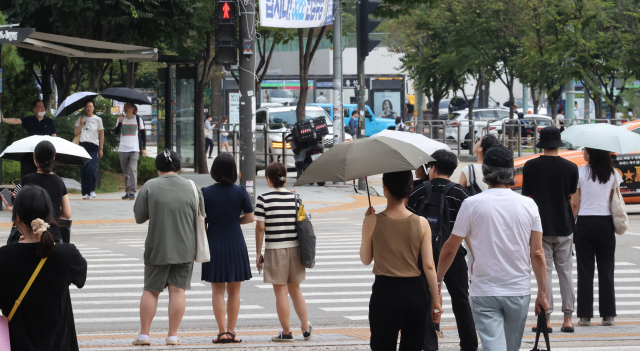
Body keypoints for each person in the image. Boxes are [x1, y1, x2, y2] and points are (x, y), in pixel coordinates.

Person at [436, 145, 548, 351]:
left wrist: (438, 280)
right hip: (518, 290)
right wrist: (543, 293)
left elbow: (450, 248)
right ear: (512, 173)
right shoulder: (529, 205)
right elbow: (538, 253)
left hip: (484, 291)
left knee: (493, 346)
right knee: (511, 347)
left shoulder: (471, 204)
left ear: (486, 172)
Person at [361, 170, 442, 350]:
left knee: (382, 345)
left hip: (385, 292)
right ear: (410, 189)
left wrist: (367, 224)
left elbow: (366, 259)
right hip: (414, 292)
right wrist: (435, 300)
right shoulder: (421, 223)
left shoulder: (371, 221)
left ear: (384, 188)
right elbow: (429, 266)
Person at [0, 185, 87, 351]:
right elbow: (81, 278)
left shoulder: (5, 257)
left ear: (17, 218)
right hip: (59, 344)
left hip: (18, 344)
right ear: (49, 216)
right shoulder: (66, 254)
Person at [132, 150, 205, 346]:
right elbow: (201, 217)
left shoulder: (149, 186)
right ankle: (172, 335)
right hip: (185, 248)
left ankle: (144, 335)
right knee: (177, 291)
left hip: (157, 247)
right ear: (179, 167)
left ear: (157, 168)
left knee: (151, 290)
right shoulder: (192, 187)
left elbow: (139, 217)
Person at [406, 150, 477, 351]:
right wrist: (474, 258)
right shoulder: (461, 194)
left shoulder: (418, 191)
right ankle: (469, 345)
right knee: (461, 300)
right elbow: (469, 232)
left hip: (423, 256)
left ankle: (429, 345)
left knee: (424, 300)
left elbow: (409, 224)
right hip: (454, 255)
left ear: (433, 168)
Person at [522, 126, 578, 333]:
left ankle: (545, 320)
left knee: (544, 273)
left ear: (541, 143)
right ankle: (568, 320)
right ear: (559, 143)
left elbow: (527, 198)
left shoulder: (530, 166)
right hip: (564, 225)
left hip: (540, 227)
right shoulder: (571, 168)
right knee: (566, 272)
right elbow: (571, 198)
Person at [255, 162, 312, 342]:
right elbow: (304, 222)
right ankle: (305, 327)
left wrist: (258, 252)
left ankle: (286, 332)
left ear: (268, 180)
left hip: (274, 250)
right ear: (285, 178)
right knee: (296, 291)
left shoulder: (263, 199)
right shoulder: (296, 199)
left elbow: (260, 228)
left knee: (280, 292)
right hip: (295, 249)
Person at [201, 153, 254, 343]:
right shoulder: (240, 191)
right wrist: (235, 221)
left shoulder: (205, 192)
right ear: (233, 171)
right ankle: (231, 332)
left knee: (217, 291)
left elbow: (201, 220)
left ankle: (221, 331)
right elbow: (250, 217)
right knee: (234, 291)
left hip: (213, 242)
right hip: (235, 242)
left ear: (214, 170)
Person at [571, 147, 622, 327]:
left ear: (591, 153)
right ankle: (608, 315)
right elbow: (612, 200)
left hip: (585, 223)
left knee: (585, 270)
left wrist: (572, 225)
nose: (583, 153)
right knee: (606, 270)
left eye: (585, 150)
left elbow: (575, 204)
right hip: (605, 223)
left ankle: (584, 316)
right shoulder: (613, 173)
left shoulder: (580, 172)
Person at [1, 140, 72, 243]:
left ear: (34, 156)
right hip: (54, 237)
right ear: (54, 157)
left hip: (32, 236)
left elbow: (24, 210)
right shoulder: (59, 182)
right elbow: (67, 213)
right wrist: (53, 210)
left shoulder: (27, 180)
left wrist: (10, 207)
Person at [2, 99, 58, 179]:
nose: (42, 109)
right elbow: (16, 121)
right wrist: (3, 119)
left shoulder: (50, 122)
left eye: (43, 106)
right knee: (26, 162)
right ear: (34, 109)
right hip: (31, 151)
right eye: (39, 107)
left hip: (45, 152)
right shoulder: (29, 120)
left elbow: (54, 137)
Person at [115, 102, 147, 200]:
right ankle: (128, 191)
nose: (126, 108)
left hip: (134, 149)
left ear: (133, 108)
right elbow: (116, 132)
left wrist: (144, 148)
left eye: (128, 107)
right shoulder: (120, 119)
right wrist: (120, 123)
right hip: (123, 149)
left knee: (132, 170)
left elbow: (143, 134)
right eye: (124, 107)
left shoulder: (138, 119)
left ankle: (132, 192)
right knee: (126, 172)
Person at [74, 100, 104, 200]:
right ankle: (85, 192)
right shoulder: (81, 118)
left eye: (91, 106)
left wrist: (101, 148)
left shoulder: (98, 119)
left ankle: (92, 190)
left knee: (90, 168)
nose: (89, 108)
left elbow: (102, 134)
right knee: (83, 169)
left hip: (93, 146)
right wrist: (82, 124)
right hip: (82, 146)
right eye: (87, 106)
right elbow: (76, 133)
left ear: (93, 108)